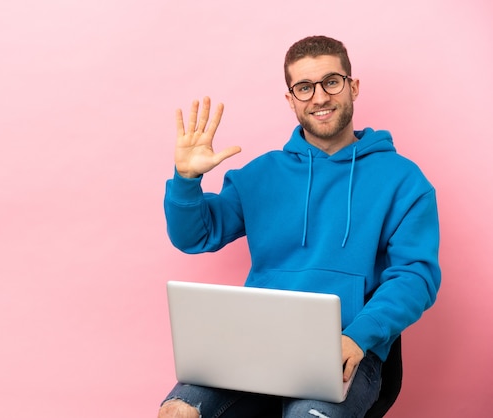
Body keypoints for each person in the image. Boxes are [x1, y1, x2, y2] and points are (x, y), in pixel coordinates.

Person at [158, 35, 441, 418]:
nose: (319, 97)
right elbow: (196, 235)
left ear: (352, 86)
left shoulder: (404, 180)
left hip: (346, 347)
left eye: (331, 82)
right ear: (291, 99)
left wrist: (359, 336)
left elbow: (416, 276)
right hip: (254, 344)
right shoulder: (262, 174)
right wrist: (186, 181)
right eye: (304, 88)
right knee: (178, 411)